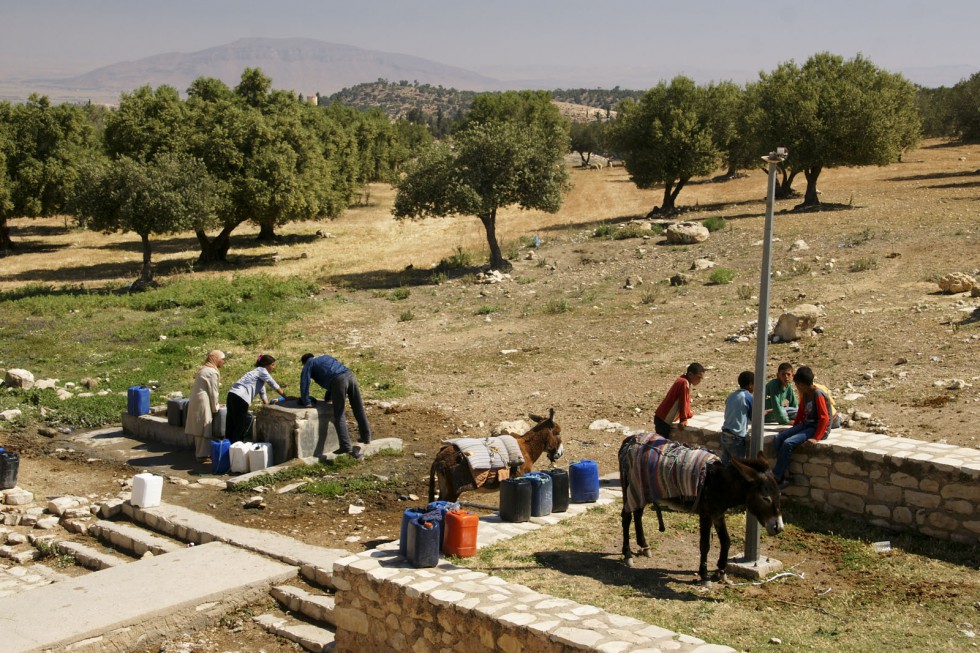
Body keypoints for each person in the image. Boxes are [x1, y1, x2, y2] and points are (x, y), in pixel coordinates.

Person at [299, 353, 372, 458]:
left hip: (339, 381)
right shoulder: (325, 357)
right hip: (350, 375)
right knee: (358, 408)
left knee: (339, 414)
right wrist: (328, 398)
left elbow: (304, 381)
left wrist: (306, 401)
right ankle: (366, 437)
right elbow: (331, 374)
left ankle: (345, 446)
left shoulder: (309, 363)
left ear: (304, 362)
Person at [772, 366, 832, 487]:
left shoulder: (818, 394)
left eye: (797, 384)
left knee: (788, 443)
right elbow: (801, 412)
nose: (796, 387)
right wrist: (795, 428)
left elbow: (824, 418)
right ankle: (785, 474)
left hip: (816, 428)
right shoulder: (806, 394)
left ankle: (777, 476)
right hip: (806, 424)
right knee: (779, 438)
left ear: (802, 384)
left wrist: (817, 437)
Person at [225, 354, 286, 443]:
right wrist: (286, 397)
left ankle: (226, 447)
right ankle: (236, 448)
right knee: (239, 425)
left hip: (232, 395)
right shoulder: (262, 371)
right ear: (266, 364)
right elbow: (273, 383)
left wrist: (267, 405)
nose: (274, 367)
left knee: (230, 423)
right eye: (272, 365)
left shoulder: (255, 374)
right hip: (241, 398)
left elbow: (263, 393)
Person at [185, 350, 225, 463]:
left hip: (198, 400)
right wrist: (216, 406)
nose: (223, 362)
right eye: (222, 359)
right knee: (204, 426)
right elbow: (213, 392)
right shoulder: (212, 372)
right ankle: (202, 455)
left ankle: (200, 453)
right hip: (203, 401)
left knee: (199, 426)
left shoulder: (205, 369)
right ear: (216, 359)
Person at [654, 362, 705, 438]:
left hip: (661, 418)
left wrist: (688, 414)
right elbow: (683, 401)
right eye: (698, 377)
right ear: (690, 374)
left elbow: (685, 401)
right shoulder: (684, 383)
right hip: (663, 420)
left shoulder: (683, 380)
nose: (700, 381)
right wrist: (683, 419)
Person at [720, 371, 753, 465]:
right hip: (736, 438)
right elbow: (753, 416)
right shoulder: (748, 397)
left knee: (726, 465)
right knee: (740, 467)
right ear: (751, 385)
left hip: (725, 434)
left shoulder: (731, 395)